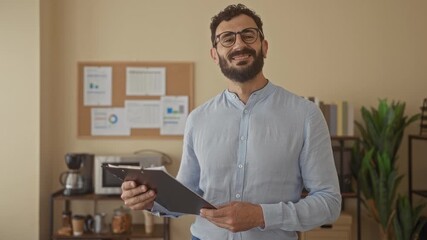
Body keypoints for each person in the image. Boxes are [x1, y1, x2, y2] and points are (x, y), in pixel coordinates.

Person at [121, 3, 341, 240]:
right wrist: (150, 200)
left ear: (264, 47)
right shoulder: (198, 119)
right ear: (215, 55)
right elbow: (185, 194)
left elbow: (329, 203)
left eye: (248, 35)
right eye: (227, 38)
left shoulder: (306, 115)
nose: (239, 44)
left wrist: (262, 215)